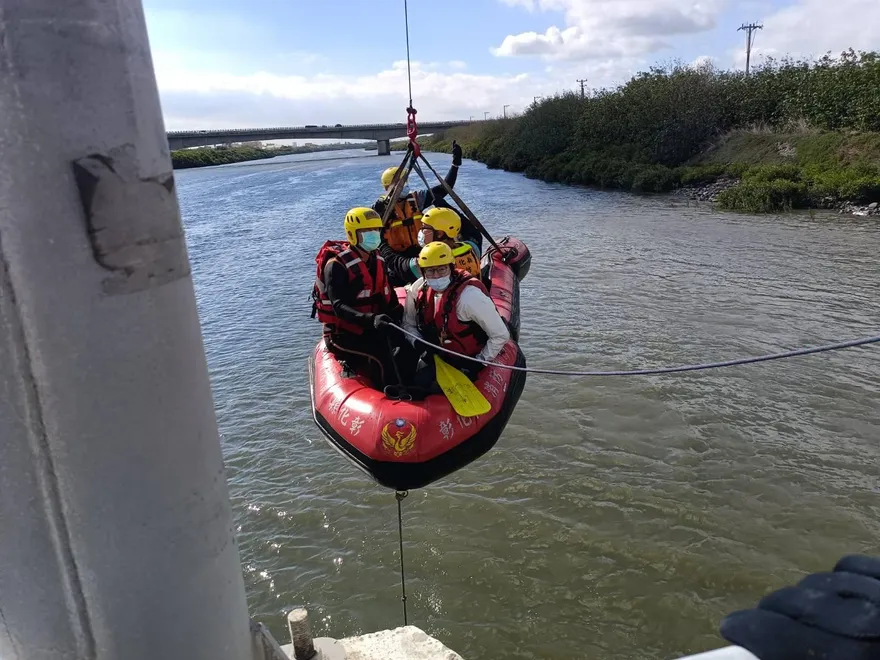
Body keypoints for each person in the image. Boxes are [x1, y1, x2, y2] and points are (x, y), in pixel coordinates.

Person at [312, 207, 409, 387]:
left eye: (376, 230)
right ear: (353, 234)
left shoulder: (377, 259)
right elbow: (339, 307)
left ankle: (412, 387)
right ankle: (393, 396)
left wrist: (398, 317)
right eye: (367, 231)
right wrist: (371, 320)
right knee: (382, 355)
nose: (374, 235)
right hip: (343, 334)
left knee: (405, 345)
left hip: (370, 327)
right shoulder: (336, 266)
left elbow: (387, 293)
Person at [403, 242, 510, 385]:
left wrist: (479, 362)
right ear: (423, 272)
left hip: (468, 358)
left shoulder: (469, 297)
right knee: (414, 380)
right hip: (436, 354)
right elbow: (408, 324)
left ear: (452, 268)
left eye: (442, 269)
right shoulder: (417, 290)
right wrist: (417, 342)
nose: (436, 276)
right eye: (430, 271)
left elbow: (500, 335)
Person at [375, 141, 464, 287]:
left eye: (404, 182)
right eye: (399, 184)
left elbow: (444, 189)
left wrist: (455, 165)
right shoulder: (382, 208)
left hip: (421, 253)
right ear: (388, 187)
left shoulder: (417, 199)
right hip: (396, 260)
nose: (403, 186)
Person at [418, 207, 481, 278]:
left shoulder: (429, 259)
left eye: (424, 228)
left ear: (439, 233)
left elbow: (406, 267)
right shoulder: (471, 247)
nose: (421, 231)